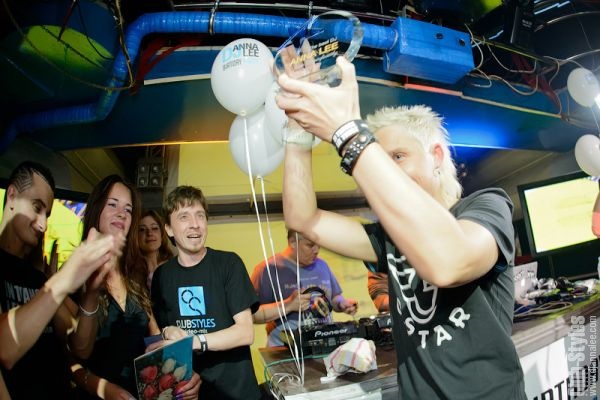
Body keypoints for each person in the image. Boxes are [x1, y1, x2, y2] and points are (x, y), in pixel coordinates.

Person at [275, 57, 527, 400]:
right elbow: (302, 220)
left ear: (436, 156)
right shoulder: (391, 236)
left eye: (397, 157)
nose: (386, 172)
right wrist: (297, 132)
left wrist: (349, 134)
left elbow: (448, 263)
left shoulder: (486, 206)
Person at [69, 175, 200, 400]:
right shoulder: (72, 275)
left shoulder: (134, 274)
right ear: (96, 208)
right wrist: (103, 389)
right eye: (113, 205)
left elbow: (154, 337)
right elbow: (72, 357)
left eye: (128, 210)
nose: (122, 213)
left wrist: (183, 374)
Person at [0, 161, 123, 399]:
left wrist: (91, 291)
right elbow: (5, 348)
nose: (43, 224)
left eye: (47, 214)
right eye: (37, 208)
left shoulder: (38, 277)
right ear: (12, 196)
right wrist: (65, 277)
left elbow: (80, 346)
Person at [150, 185, 261, 400]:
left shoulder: (229, 264)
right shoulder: (162, 276)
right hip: (188, 391)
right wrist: (166, 332)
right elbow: (161, 333)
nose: (195, 224)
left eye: (200, 215)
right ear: (169, 229)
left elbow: (245, 332)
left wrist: (194, 341)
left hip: (236, 393)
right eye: (184, 217)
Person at [251, 229, 358, 347]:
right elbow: (253, 315)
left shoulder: (322, 265)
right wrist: (288, 305)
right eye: (310, 245)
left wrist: (342, 303)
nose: (316, 250)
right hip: (286, 350)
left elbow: (334, 297)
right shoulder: (267, 269)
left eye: (319, 245)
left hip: (324, 347)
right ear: (293, 242)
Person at [139, 209, 174, 289]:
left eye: (154, 228)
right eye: (142, 229)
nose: (149, 233)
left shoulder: (174, 267)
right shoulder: (129, 273)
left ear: (162, 234)